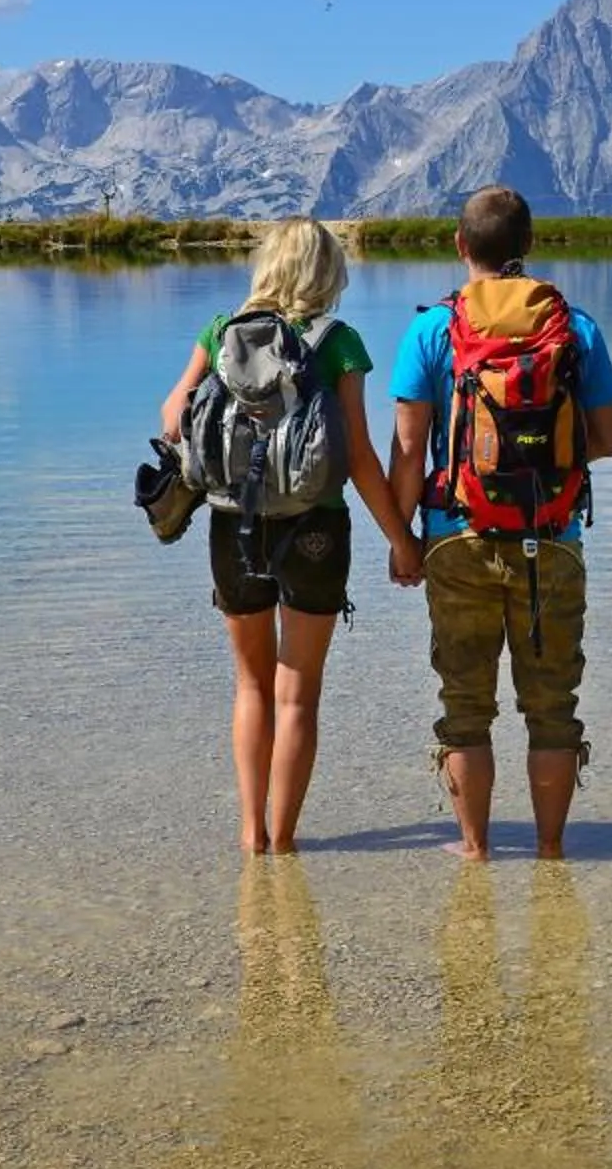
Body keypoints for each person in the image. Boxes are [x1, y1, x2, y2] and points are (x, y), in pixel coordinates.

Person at [162, 219, 419, 854]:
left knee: (251, 685)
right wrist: (402, 539)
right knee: (297, 692)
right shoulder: (338, 342)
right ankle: (286, 841)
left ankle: (250, 834)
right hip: (315, 529)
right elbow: (358, 456)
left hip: (233, 525)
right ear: (327, 274)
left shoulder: (222, 332)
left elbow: (173, 419)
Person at [390, 187, 612, 860]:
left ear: (461, 245)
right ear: (528, 246)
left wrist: (403, 540)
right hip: (552, 539)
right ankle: (551, 853)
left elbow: (408, 452)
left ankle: (475, 852)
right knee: (552, 708)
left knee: (465, 705)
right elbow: (607, 438)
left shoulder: (432, 330)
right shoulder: (574, 328)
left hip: (455, 537)